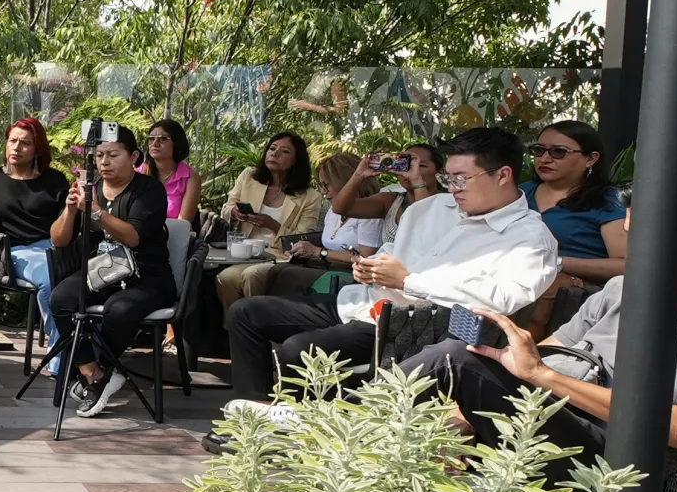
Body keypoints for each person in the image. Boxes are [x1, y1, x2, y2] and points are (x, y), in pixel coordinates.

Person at [417, 167, 677, 464]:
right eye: (634, 238)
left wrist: (543, 377)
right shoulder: (623, 292)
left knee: (456, 359)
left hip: (619, 470)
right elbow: (545, 360)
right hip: (539, 434)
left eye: (656, 240)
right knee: (457, 374)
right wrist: (465, 410)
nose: (638, 256)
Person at [223, 127, 558, 403]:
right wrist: (368, 266)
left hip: (414, 326)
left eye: (461, 179)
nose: (452, 189)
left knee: (300, 350)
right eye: (449, 179)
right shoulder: (432, 209)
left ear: (503, 175)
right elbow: (389, 251)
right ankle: (257, 414)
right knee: (247, 313)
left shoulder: (529, 238)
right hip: (363, 302)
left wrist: (409, 281)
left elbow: (502, 301)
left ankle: (296, 432)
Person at [47, 121, 176, 417]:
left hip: (147, 275)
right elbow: (58, 239)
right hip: (101, 271)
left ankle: (102, 369)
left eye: (113, 155)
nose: (104, 162)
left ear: (133, 157)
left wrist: (96, 212)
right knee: (61, 299)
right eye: (100, 155)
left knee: (118, 309)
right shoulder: (88, 189)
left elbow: (133, 236)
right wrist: (70, 209)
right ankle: (93, 372)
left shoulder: (149, 191)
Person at [215, 152, 378, 314]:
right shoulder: (334, 212)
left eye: (326, 185)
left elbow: (364, 258)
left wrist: (319, 252)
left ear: (344, 181)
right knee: (263, 274)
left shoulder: (371, 212)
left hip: (347, 274)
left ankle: (261, 324)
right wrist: (304, 249)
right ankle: (248, 324)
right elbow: (324, 243)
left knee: (266, 275)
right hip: (321, 266)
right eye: (320, 185)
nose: (323, 192)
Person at [0, 116, 70, 363]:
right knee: (50, 277)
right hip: (12, 252)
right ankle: (63, 360)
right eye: (12, 141)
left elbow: (68, 221)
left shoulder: (54, 180)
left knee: (82, 279)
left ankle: (86, 350)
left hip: (54, 247)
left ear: (38, 149)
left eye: (25, 143)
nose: (16, 147)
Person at [528, 119, 627, 285]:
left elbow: (625, 266)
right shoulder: (522, 193)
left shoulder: (609, 199)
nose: (544, 159)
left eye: (558, 152)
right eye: (538, 150)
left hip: (580, 298)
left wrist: (558, 263)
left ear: (590, 159)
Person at [332, 141, 444, 241]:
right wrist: (358, 175)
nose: (411, 170)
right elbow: (340, 208)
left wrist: (417, 181)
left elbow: (424, 228)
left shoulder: (450, 202)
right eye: (405, 164)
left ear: (441, 172)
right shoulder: (390, 201)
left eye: (420, 165)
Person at [219, 131, 316, 238]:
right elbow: (226, 210)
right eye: (272, 148)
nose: (274, 153)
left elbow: (304, 240)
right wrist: (234, 212)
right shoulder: (249, 176)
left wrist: (274, 225)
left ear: (296, 160)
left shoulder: (310, 197)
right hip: (243, 250)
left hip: (280, 254)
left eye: (285, 151)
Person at [143, 119, 197, 222]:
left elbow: (182, 223)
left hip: (174, 236)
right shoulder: (138, 172)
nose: (155, 143)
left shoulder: (190, 177)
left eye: (163, 138)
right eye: (151, 138)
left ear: (176, 143)